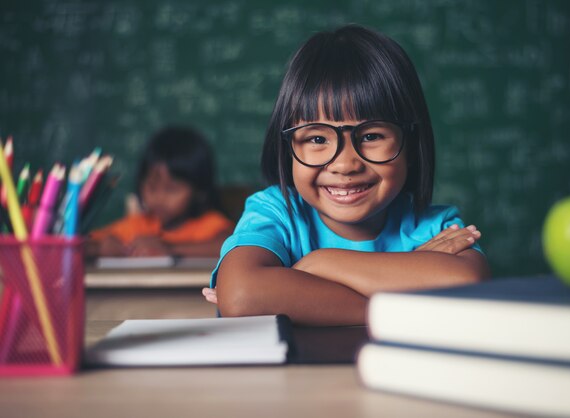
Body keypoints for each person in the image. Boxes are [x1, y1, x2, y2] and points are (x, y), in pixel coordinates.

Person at [202, 25, 490, 325]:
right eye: (317, 139)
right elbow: (241, 295)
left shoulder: (435, 227)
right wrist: (398, 301)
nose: (345, 164)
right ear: (286, 146)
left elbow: (469, 282)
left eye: (371, 136)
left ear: (411, 143)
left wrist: (318, 264)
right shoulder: (276, 212)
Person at [88, 125, 234, 258]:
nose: (159, 197)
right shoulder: (139, 225)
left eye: (172, 189)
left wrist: (169, 248)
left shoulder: (210, 224)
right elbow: (83, 244)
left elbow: (230, 247)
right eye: (151, 187)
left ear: (199, 191)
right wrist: (101, 248)